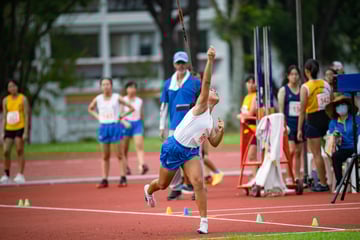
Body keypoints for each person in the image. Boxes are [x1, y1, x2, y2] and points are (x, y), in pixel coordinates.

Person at [144, 46, 223, 234]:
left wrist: (221, 131)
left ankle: (204, 222)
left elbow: (214, 142)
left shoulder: (210, 120)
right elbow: (206, 83)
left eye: (215, 91)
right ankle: (149, 190)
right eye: (211, 90)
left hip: (191, 152)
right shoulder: (201, 106)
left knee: (198, 182)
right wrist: (210, 60)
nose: (213, 91)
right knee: (163, 185)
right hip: (174, 147)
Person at [159, 51, 201, 200]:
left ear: (187, 64)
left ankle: (197, 188)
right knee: (173, 157)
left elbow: (203, 102)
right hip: (174, 127)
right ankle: (176, 187)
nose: (181, 66)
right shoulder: (167, 84)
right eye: (178, 63)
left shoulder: (196, 82)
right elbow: (164, 106)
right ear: (174, 64)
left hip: (192, 127)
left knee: (194, 157)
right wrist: (161, 126)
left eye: (183, 63)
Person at [88, 78, 135, 188]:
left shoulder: (116, 97)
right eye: (103, 84)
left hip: (115, 126)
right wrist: (98, 117)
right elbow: (90, 108)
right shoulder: (98, 98)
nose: (106, 86)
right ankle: (104, 179)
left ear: (111, 86)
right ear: (101, 86)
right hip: (104, 127)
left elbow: (131, 108)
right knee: (105, 156)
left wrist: (121, 116)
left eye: (108, 84)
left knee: (119, 154)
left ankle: (123, 178)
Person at [297, 59, 332, 192]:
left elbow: (302, 110)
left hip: (313, 121)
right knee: (331, 152)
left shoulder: (305, 87)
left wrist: (300, 129)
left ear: (306, 71)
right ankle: (338, 180)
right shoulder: (326, 84)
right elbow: (332, 102)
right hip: (327, 119)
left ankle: (323, 183)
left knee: (317, 154)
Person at [325, 96, 360, 191]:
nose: (341, 107)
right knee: (336, 156)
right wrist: (335, 137)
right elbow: (331, 139)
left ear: (348, 106)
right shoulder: (333, 122)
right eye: (338, 105)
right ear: (335, 109)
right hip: (343, 149)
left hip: (356, 147)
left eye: (343, 104)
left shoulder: (356, 119)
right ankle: (340, 183)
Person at [277, 65, 304, 184]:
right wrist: (283, 125)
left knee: (298, 152)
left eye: (296, 74)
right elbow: (281, 111)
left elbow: (304, 109)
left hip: (300, 124)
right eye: (292, 74)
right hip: (289, 125)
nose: (294, 76)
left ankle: (297, 176)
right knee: (291, 150)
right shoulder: (283, 90)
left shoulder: (302, 89)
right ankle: (289, 176)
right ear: (288, 76)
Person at [0, 80, 30, 184]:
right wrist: (2, 132)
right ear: (8, 89)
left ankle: (20, 174)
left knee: (19, 149)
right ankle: (6, 175)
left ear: (17, 87)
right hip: (9, 128)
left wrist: (26, 132)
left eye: (14, 86)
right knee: (6, 151)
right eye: (10, 86)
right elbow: (4, 116)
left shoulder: (23, 99)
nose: (12, 88)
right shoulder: (5, 100)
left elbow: (26, 115)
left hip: (20, 127)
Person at [121, 81, 149, 175]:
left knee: (139, 146)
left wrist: (142, 125)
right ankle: (125, 167)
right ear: (126, 89)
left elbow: (141, 114)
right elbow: (119, 115)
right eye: (130, 87)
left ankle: (142, 165)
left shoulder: (139, 101)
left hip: (137, 124)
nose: (132, 89)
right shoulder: (122, 100)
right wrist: (123, 122)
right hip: (126, 124)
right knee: (124, 149)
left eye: (134, 87)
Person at [237, 75, 257, 176]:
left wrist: (241, 115)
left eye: (253, 82)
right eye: (249, 82)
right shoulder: (246, 97)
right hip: (246, 130)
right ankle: (255, 175)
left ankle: (256, 177)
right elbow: (244, 112)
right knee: (249, 156)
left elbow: (250, 113)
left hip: (254, 129)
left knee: (252, 155)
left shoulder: (256, 97)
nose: (251, 85)